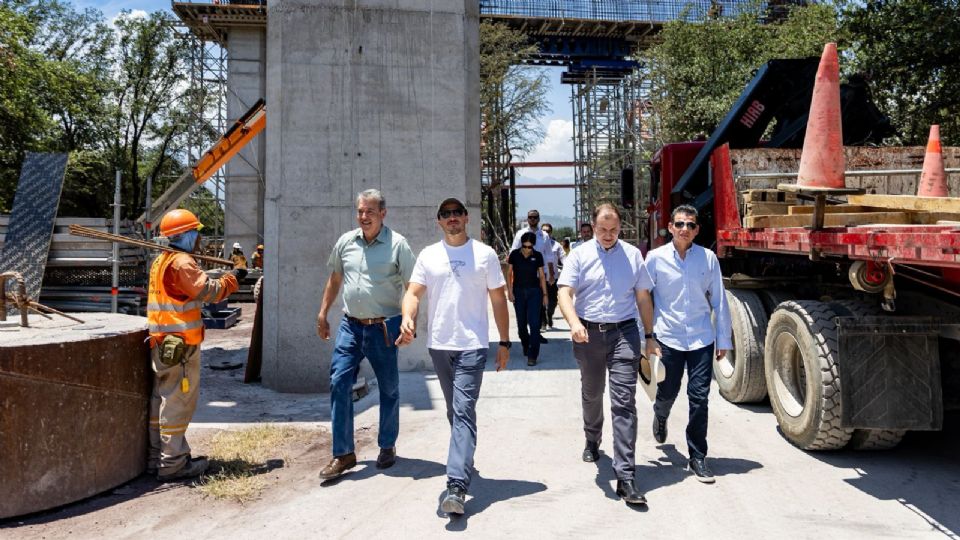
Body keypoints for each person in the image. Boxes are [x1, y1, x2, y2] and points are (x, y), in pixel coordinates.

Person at [396, 197, 511, 516]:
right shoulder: (429, 255)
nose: (452, 219)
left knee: (462, 411)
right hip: (440, 345)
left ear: (466, 218)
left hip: (472, 345)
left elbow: (499, 299)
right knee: (455, 411)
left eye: (457, 213)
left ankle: (456, 486)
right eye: (445, 215)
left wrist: (504, 341)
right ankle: (464, 457)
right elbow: (413, 293)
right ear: (439, 221)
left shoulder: (485, 255)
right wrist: (408, 317)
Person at [557, 203, 654, 506]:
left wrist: (649, 337)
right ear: (593, 227)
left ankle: (625, 475)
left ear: (620, 228)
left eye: (613, 230)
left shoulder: (633, 255)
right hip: (588, 333)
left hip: (624, 332)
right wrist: (573, 323)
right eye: (603, 229)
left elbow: (642, 297)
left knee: (624, 401)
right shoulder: (580, 254)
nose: (608, 235)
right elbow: (564, 292)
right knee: (592, 392)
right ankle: (592, 436)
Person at [315, 189, 416, 481]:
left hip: (385, 326)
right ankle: (343, 453)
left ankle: (387, 445)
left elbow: (413, 286)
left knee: (389, 387)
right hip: (350, 325)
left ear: (383, 213)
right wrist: (323, 313)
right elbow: (335, 278)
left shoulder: (398, 245)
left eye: (370, 211)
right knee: (339, 382)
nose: (363, 217)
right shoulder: (346, 242)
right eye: (360, 211)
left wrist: (409, 320)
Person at [147, 209, 243, 481]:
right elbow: (209, 292)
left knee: (162, 401)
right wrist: (235, 277)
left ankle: (157, 458)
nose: (199, 237)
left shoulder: (161, 261)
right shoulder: (181, 263)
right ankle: (174, 463)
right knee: (179, 403)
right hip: (181, 345)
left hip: (162, 341)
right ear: (185, 234)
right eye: (196, 232)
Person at [642, 204, 732, 484]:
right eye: (679, 224)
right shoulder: (655, 259)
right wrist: (646, 337)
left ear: (697, 230)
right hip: (667, 338)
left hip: (701, 338)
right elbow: (643, 298)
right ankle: (660, 414)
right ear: (670, 227)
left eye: (690, 225)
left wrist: (724, 338)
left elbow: (719, 299)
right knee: (667, 392)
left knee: (699, 397)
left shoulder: (707, 259)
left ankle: (697, 456)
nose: (684, 229)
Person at [511, 209, 553, 343]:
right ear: (527, 219)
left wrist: (551, 274)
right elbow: (513, 254)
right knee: (523, 311)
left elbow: (549, 256)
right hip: (523, 276)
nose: (533, 219)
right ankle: (526, 334)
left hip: (540, 274)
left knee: (538, 306)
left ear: (539, 219)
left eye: (535, 217)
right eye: (530, 217)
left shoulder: (544, 236)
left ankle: (536, 333)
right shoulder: (521, 234)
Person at [507, 231, 548, 366]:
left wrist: (545, 295)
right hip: (518, 292)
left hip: (534, 293)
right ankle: (526, 344)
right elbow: (509, 274)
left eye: (530, 247)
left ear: (534, 246)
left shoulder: (538, 256)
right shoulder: (514, 255)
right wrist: (510, 291)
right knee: (521, 325)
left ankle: (533, 355)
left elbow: (542, 276)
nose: (527, 249)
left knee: (535, 325)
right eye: (524, 246)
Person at [540, 223, 564, 330]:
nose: (546, 233)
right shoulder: (536, 245)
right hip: (539, 277)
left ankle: (549, 314)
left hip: (553, 278)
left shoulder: (557, 246)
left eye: (548, 231)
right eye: (544, 231)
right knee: (540, 300)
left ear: (551, 232)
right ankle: (543, 321)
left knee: (553, 301)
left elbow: (564, 259)